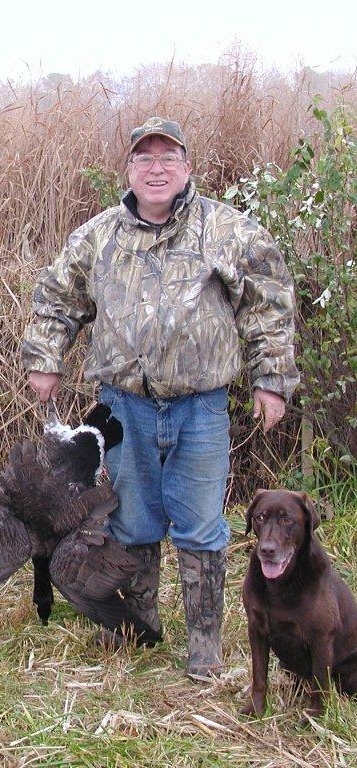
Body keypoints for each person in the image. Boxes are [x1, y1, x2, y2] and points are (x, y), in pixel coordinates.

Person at [22, 116, 300, 679]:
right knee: (133, 522)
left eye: (168, 157)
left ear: (187, 168)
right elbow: (56, 298)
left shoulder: (228, 230)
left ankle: (205, 649)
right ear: (128, 170)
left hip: (201, 407)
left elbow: (269, 304)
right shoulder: (97, 236)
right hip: (123, 408)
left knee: (201, 526)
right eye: (144, 158)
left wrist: (271, 380)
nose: (156, 168)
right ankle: (139, 630)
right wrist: (44, 359)